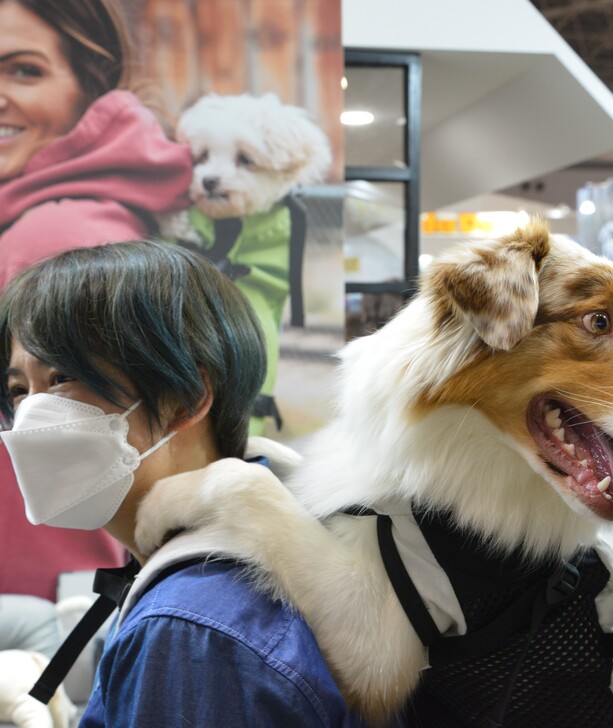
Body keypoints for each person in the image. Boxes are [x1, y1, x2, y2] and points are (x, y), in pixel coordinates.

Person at [0, 241, 367, 727]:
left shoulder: (191, 629)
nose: (30, 415)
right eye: (18, 390)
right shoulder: (257, 548)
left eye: (62, 377)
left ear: (186, 399)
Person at [0, 0, 193, 601]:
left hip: (37, 592)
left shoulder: (47, 241)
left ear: (88, 83)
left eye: (23, 70)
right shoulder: (74, 216)